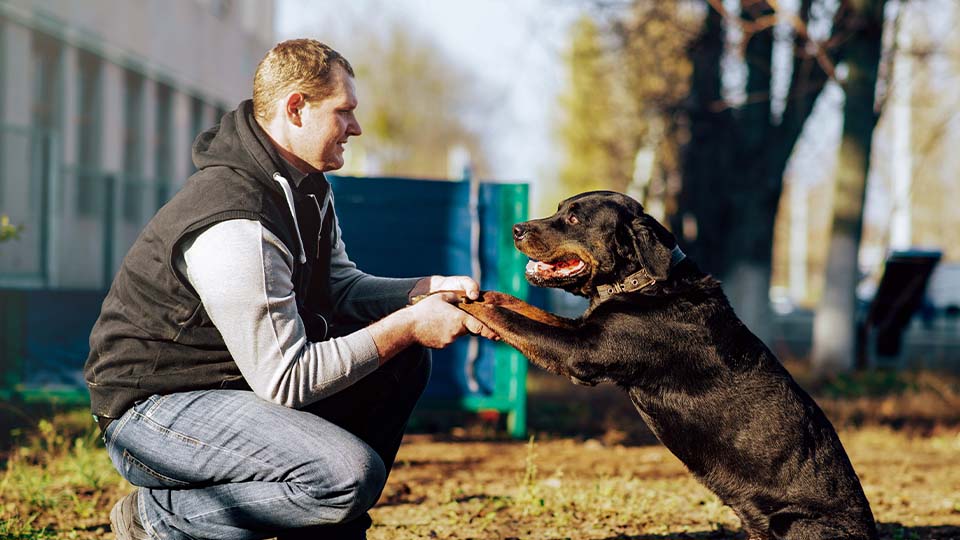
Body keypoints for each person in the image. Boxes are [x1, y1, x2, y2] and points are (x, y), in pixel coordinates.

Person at [84, 38, 497, 540]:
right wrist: (410, 324)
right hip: (153, 414)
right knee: (344, 477)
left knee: (405, 360)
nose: (356, 127)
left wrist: (423, 290)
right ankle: (160, 518)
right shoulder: (236, 220)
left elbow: (341, 287)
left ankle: (329, 527)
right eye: (344, 112)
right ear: (296, 109)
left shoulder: (307, 187)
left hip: (230, 388)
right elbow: (287, 379)